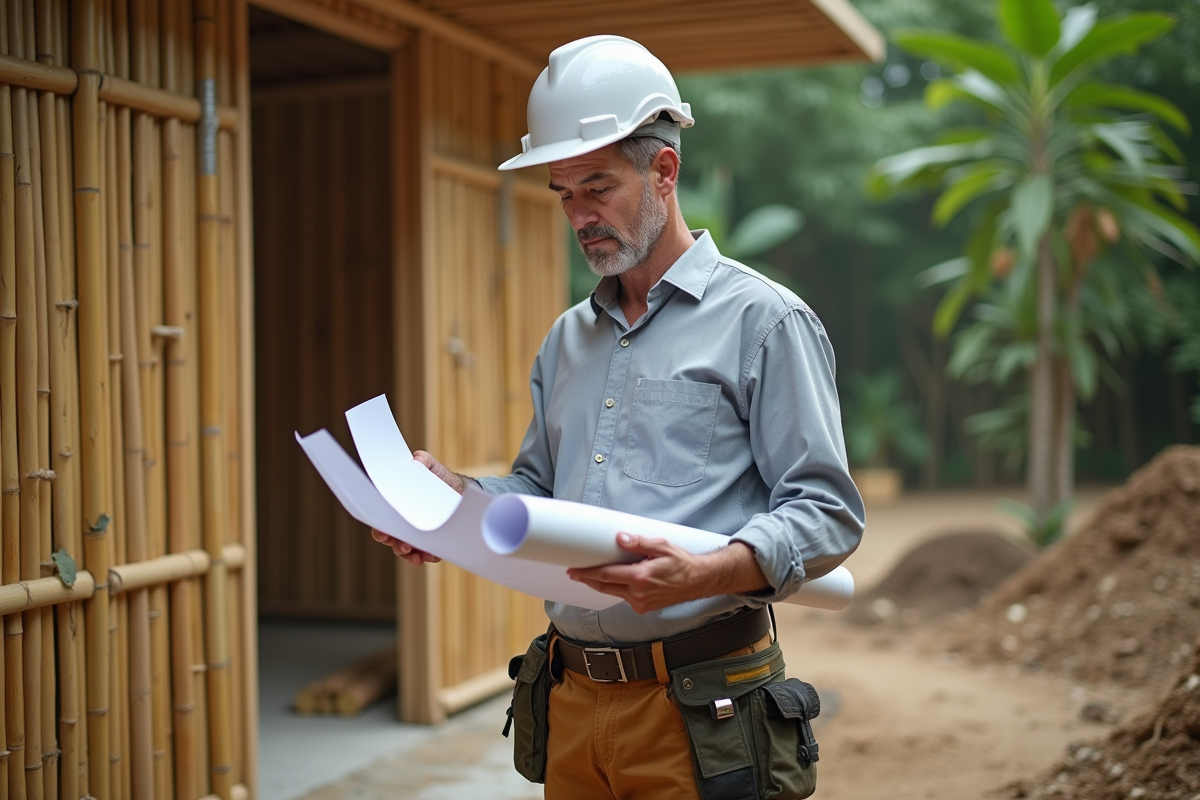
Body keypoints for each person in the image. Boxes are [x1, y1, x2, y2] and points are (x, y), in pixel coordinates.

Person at [372, 34, 864, 800]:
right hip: (571, 705)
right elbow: (540, 488)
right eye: (564, 194)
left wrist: (707, 573)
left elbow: (828, 513)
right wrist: (453, 501)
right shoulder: (568, 338)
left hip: (704, 710)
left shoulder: (764, 323)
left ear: (663, 171)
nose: (580, 215)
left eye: (597, 187)